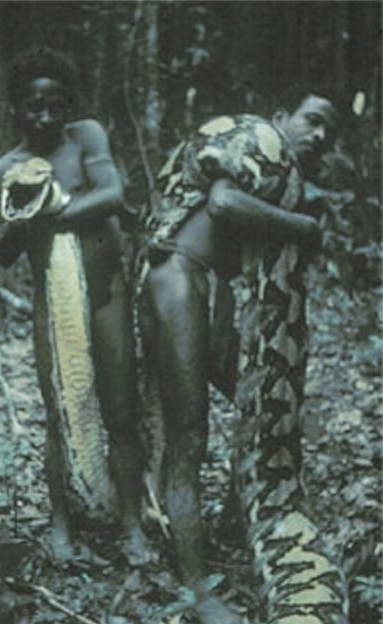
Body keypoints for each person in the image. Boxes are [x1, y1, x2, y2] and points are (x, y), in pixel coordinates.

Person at [139, 94, 338, 582]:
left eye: (327, 135)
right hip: (178, 280)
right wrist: (302, 226)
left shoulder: (283, 185)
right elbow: (222, 203)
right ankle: (196, 587)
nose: (318, 137)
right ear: (278, 118)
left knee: (257, 410)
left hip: (209, 291)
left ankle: (239, 517)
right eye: (311, 121)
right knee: (189, 438)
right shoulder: (253, 146)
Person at [0, 49, 151, 565]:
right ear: (16, 108)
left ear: (70, 106)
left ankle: (131, 524)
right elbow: (1, 249)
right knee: (59, 409)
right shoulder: (3, 169)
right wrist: (19, 212)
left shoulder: (87, 137)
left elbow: (112, 195)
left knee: (120, 408)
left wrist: (48, 209)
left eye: (57, 105)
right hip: (52, 303)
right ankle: (62, 525)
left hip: (106, 293)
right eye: (34, 107)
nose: (46, 117)